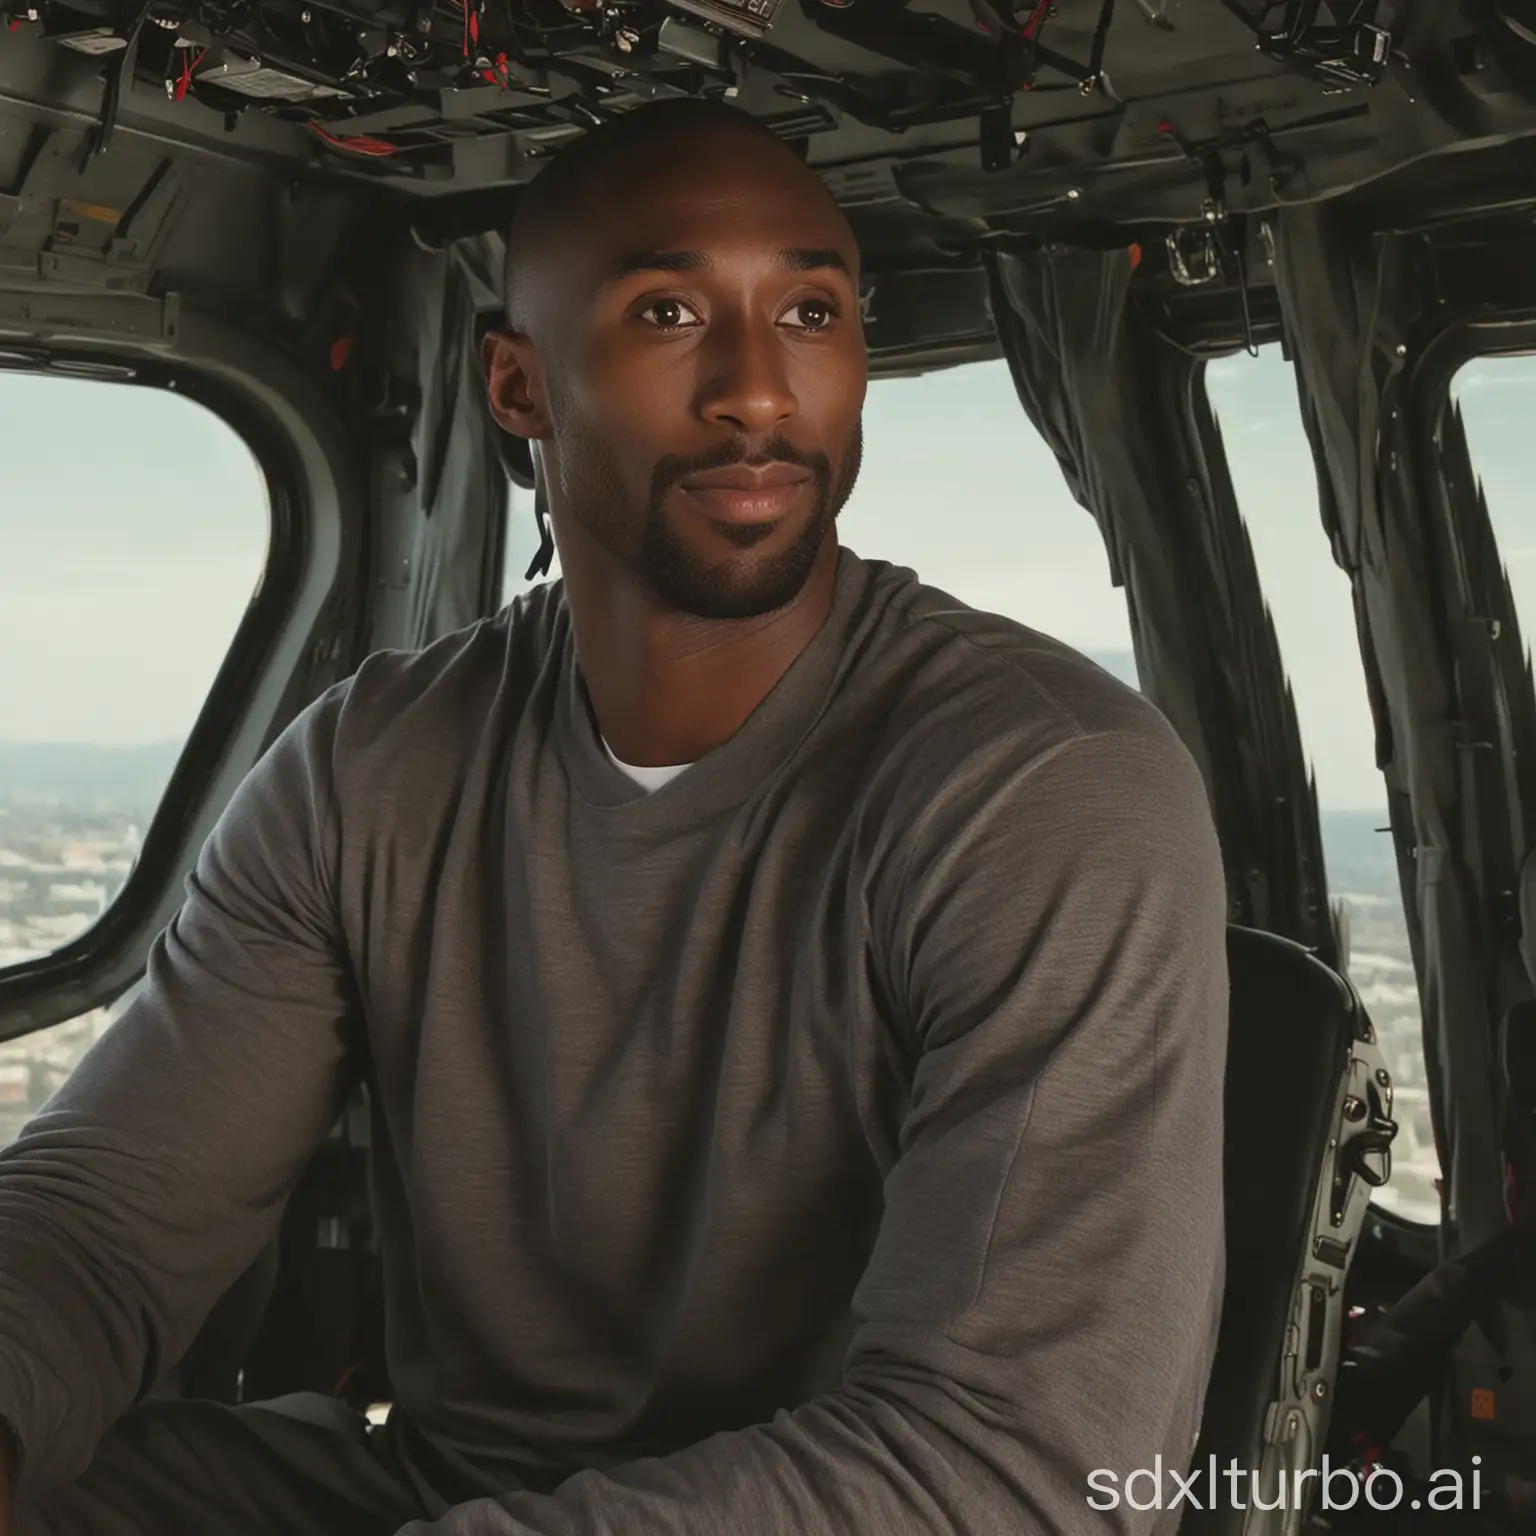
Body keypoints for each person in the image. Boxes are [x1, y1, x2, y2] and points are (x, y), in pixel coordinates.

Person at [0, 99, 1229, 1535]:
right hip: (440, 1491)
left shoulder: (1044, 784)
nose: (760, 391)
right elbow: (108, 1222)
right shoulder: (369, 769)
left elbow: (1014, 1468)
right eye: (668, 310)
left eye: (813, 313)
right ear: (518, 388)